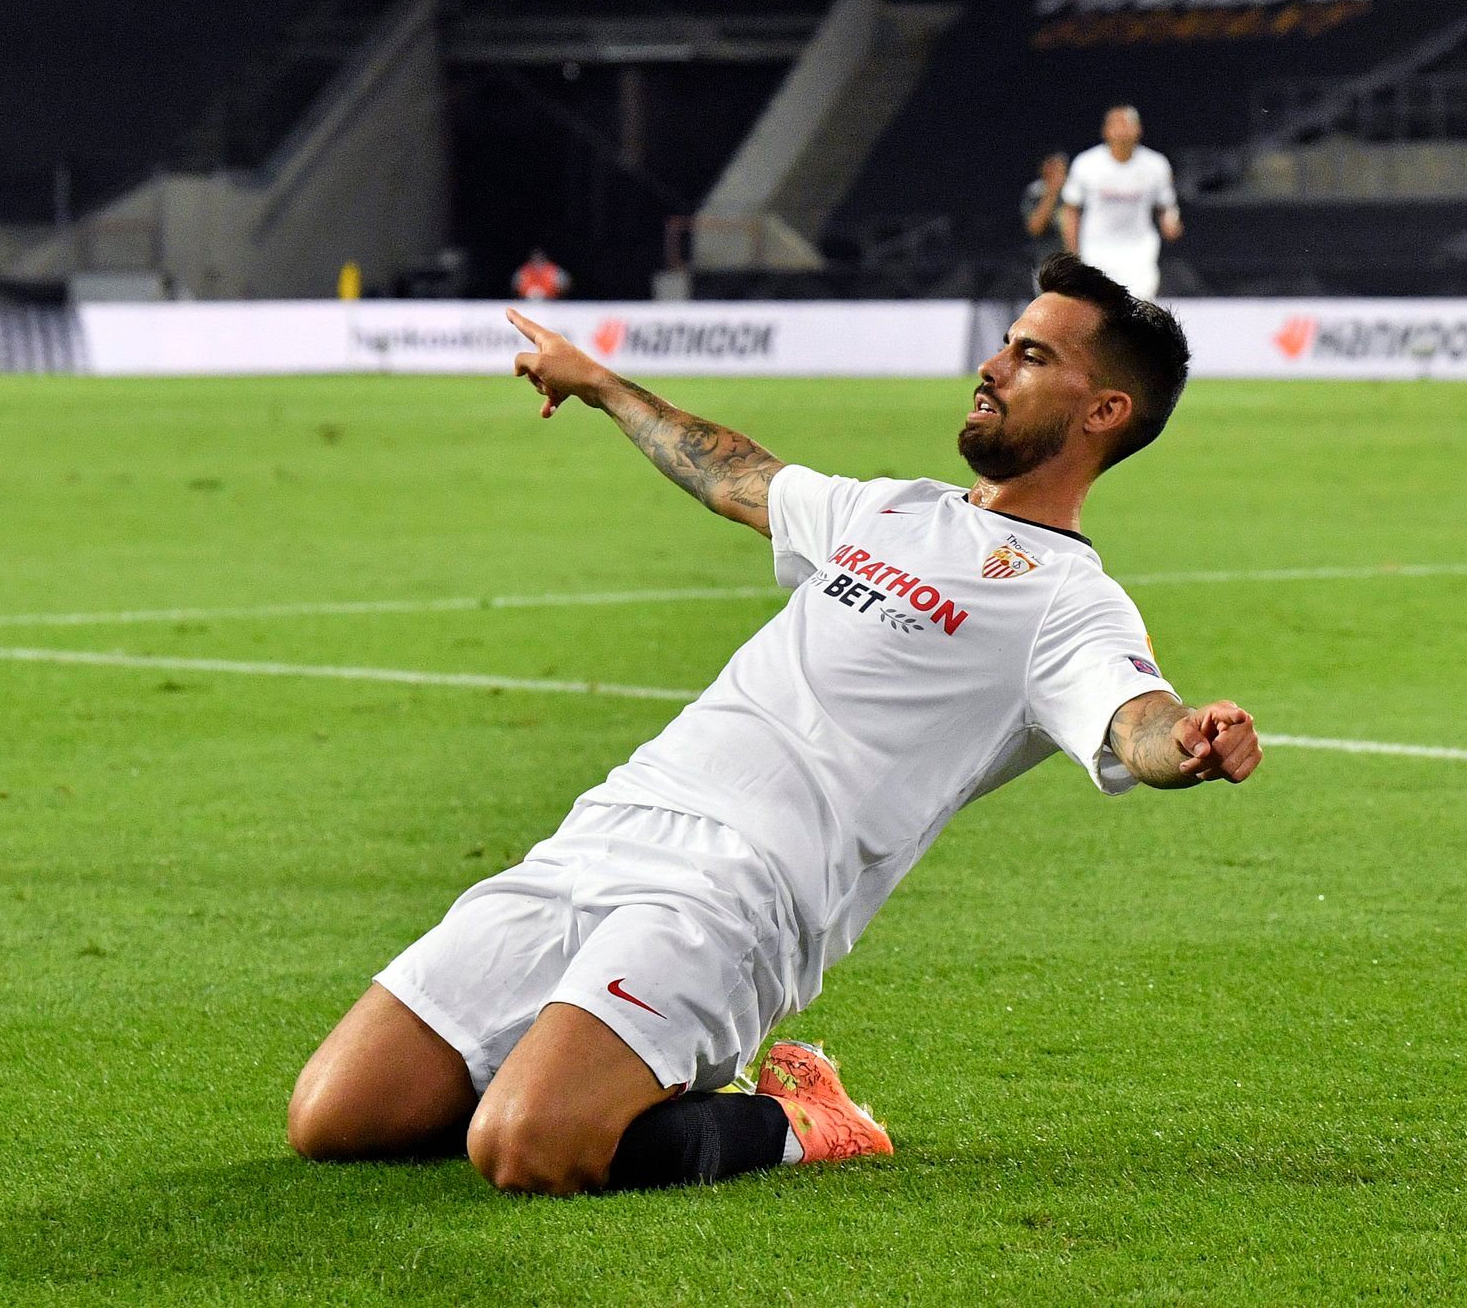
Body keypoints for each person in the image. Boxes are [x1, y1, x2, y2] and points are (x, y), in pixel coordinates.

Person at [288, 253, 1263, 1196]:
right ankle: (580, 1068)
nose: (992, 364)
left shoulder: (1066, 601)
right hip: (612, 823)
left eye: (1032, 356)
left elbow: (1133, 716)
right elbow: (734, 473)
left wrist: (1187, 742)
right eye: (1006, 343)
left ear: (1103, 412)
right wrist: (599, 385)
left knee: (527, 1148)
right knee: (335, 1118)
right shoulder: (887, 508)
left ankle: (799, 1121)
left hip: (741, 889)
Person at [1060, 106, 1182, 301]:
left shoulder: (1156, 165)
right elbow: (1070, 209)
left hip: (1139, 255)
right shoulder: (1086, 164)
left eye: (1128, 124)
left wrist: (1170, 223)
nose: (1122, 130)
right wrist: (1072, 254)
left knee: (1139, 311)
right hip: (1096, 252)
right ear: (1105, 131)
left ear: (1139, 130)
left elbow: (1166, 205)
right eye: (1116, 124)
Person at [1021, 150, 1069, 270]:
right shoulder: (1035, 192)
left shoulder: (1076, 189)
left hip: (1080, 261)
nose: (1055, 171)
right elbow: (1035, 227)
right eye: (1051, 165)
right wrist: (1052, 191)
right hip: (1049, 265)